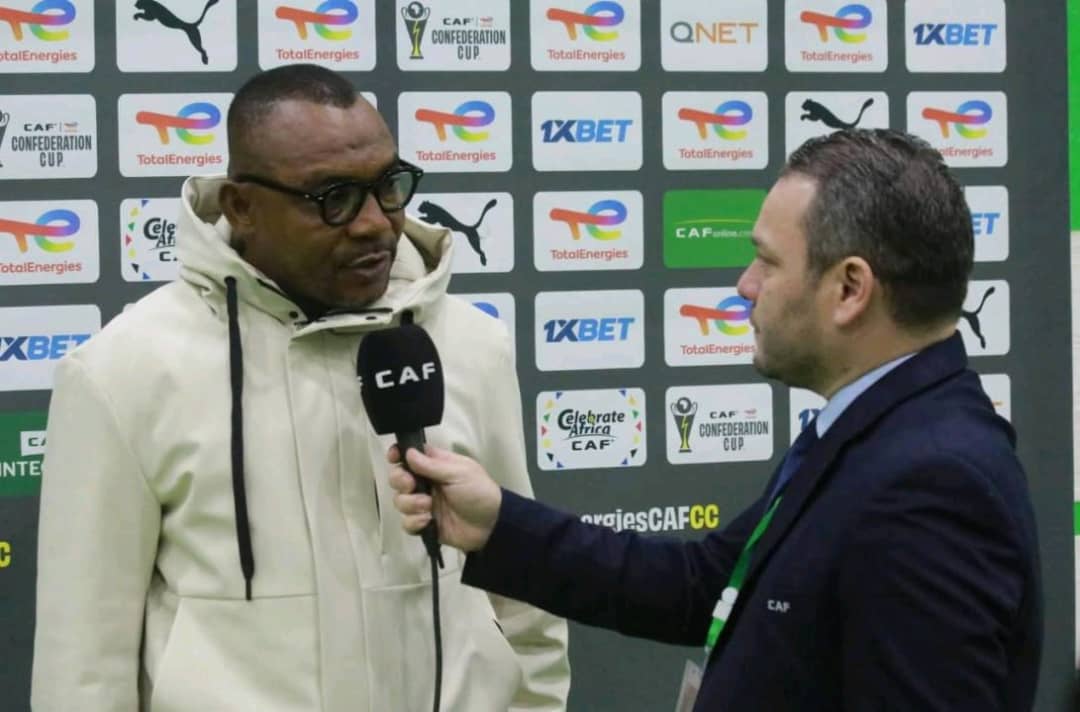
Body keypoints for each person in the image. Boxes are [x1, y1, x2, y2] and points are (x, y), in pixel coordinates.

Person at [389, 128, 1043, 711]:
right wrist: (497, 524)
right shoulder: (873, 430)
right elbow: (703, 586)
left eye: (768, 260)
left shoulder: (931, 486)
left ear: (849, 289)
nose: (744, 285)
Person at [32, 64, 570, 711]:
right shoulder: (123, 371)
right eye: (332, 197)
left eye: (388, 186)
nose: (374, 223)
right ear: (242, 208)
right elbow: (82, 665)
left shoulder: (471, 344)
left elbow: (525, 605)